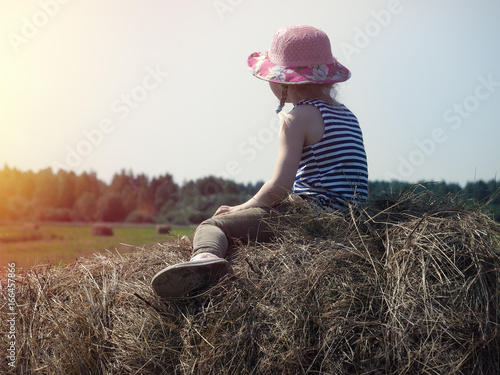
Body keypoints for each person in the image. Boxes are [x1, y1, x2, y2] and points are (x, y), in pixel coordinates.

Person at [152, 24, 368, 298]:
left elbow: (280, 186)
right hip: (353, 221)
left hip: (312, 218)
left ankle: (203, 264)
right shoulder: (347, 115)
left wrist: (241, 208)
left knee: (212, 225)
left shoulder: (297, 118)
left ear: (282, 82)